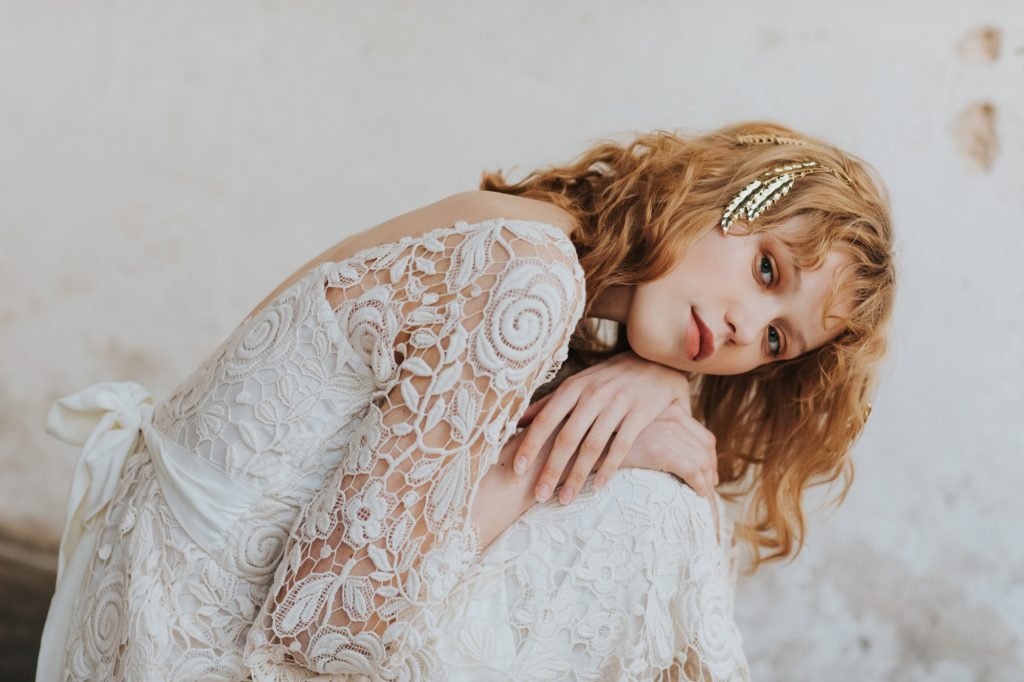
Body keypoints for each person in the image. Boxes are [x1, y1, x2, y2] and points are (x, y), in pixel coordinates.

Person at [35, 120, 895, 681]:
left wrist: (660, 374)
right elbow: (329, 624)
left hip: (145, 576)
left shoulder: (537, 236)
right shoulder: (530, 275)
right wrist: (559, 462)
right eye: (767, 270)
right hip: (176, 636)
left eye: (778, 340)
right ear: (721, 198)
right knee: (661, 518)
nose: (747, 328)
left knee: (653, 500)